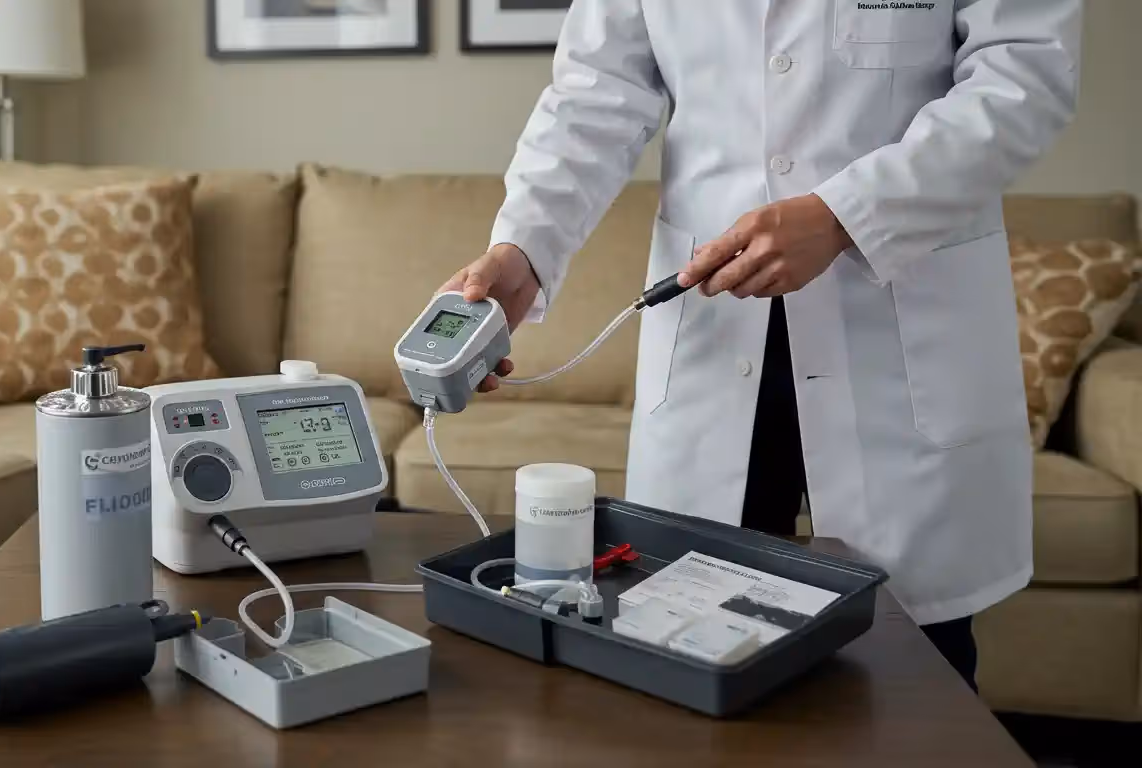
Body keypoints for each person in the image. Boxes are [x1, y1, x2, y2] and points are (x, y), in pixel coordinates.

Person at [439, 0, 1081, 687]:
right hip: (718, 328)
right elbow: (595, 96)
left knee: (916, 673)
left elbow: (1023, 74)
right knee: (693, 640)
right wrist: (523, 247)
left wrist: (844, 214)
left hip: (895, 319)